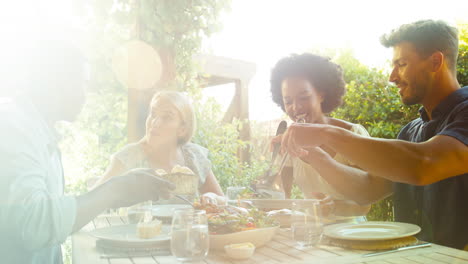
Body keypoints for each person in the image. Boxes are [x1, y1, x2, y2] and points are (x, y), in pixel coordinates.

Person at [279, 20, 468, 249]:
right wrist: (315, 155)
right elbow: (367, 190)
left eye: (402, 64)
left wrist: (326, 133)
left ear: (435, 61)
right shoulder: (410, 131)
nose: (392, 76)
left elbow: (424, 163)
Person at [0, 40, 175, 263]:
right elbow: (33, 224)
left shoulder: (37, 130)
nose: (86, 94)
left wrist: (113, 196)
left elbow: (49, 217)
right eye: (82, 83)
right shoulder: (11, 127)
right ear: (54, 81)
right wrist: (114, 191)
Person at [269, 53, 373, 219]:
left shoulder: (353, 134)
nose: (296, 107)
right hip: (310, 234)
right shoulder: (290, 138)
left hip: (352, 235)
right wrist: (268, 184)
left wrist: (334, 207)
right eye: (288, 101)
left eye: (304, 97)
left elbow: (365, 204)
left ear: (321, 94)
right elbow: (283, 197)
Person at [94, 91, 225, 204]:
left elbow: (221, 199)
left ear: (182, 129)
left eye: (167, 117)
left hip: (185, 232)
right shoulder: (128, 156)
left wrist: (211, 197)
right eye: (153, 114)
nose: (155, 122)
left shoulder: (193, 156)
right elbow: (92, 199)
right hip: (140, 232)